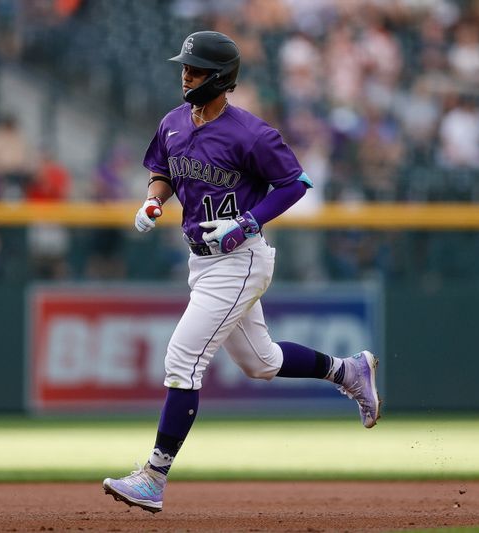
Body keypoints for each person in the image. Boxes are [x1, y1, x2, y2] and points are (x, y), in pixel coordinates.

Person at [102, 31, 381, 513]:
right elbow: (163, 169)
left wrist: (248, 221)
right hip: (201, 259)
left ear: (221, 78)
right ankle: (347, 370)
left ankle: (153, 476)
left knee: (182, 360)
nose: (185, 75)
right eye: (184, 67)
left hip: (240, 259)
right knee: (262, 362)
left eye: (195, 69)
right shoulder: (173, 121)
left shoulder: (251, 133)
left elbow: (296, 183)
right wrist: (152, 200)